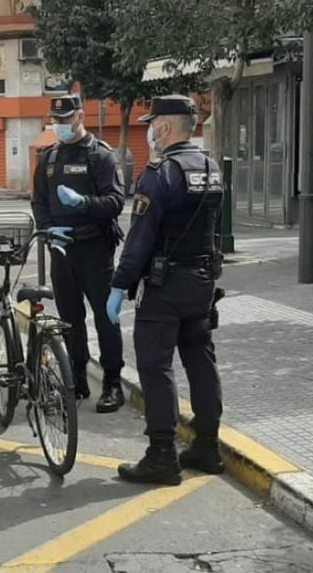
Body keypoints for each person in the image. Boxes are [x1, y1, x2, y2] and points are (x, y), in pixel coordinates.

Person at [107, 95, 225, 485]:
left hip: (166, 286)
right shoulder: (210, 167)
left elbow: (141, 237)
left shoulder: (161, 172)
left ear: (164, 127)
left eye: (151, 124)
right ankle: (207, 446)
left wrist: (120, 284)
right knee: (200, 361)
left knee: (156, 368)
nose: (149, 131)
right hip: (203, 282)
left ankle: (162, 455)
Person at [31, 94, 128, 413]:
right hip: (61, 249)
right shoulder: (48, 159)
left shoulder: (100, 156)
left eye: (66, 119)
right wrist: (47, 228)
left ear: (80, 116)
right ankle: (77, 379)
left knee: (105, 318)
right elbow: (39, 202)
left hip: (95, 248)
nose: (60, 125)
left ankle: (112, 382)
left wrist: (84, 203)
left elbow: (116, 201)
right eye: (56, 120)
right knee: (70, 319)